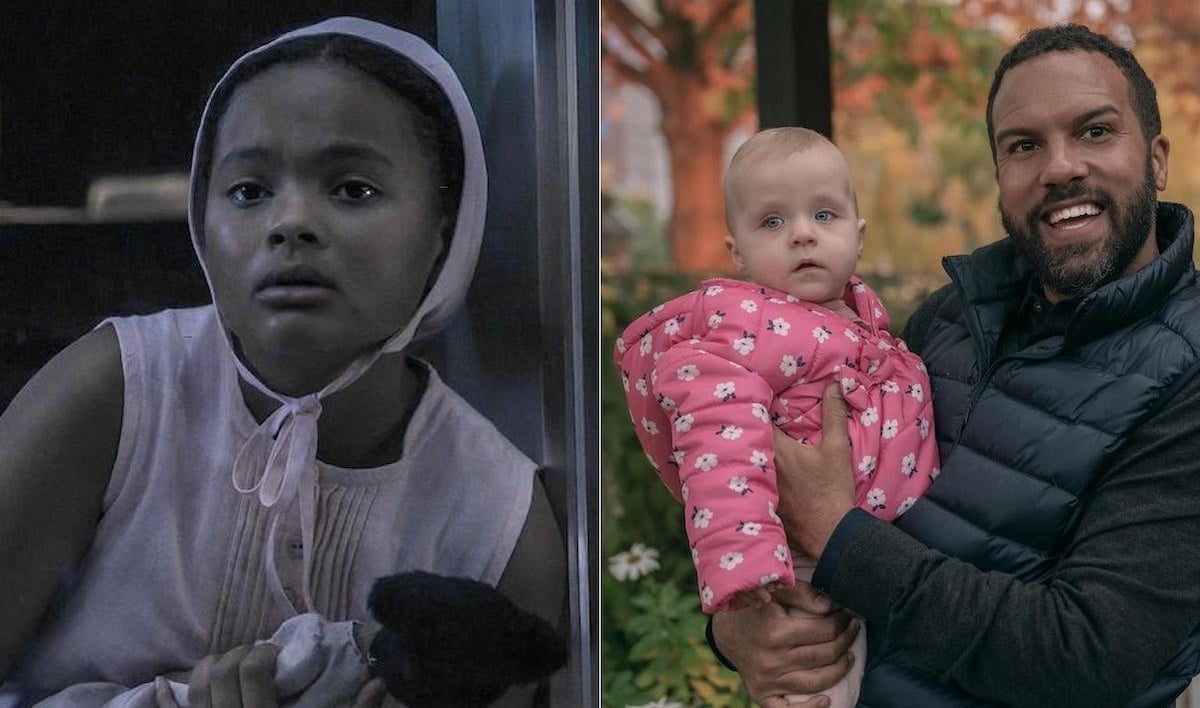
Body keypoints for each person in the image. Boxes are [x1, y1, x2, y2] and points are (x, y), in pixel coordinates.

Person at [0, 16, 564, 707]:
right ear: (201, 222)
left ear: (441, 235)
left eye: (352, 189)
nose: (290, 221)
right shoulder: (114, 394)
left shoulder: (498, 521)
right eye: (248, 190)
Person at [708, 23, 1200, 708]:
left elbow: (1083, 656)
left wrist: (837, 532)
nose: (1059, 167)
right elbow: (774, 485)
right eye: (1023, 145)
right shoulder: (944, 321)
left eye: (1094, 131)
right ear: (1001, 174)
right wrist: (737, 626)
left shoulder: (1188, 375)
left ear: (1156, 159)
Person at [615, 127, 936, 706]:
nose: (802, 234)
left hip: (883, 558)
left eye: (824, 214)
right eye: (772, 222)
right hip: (801, 570)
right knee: (816, 684)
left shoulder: (866, 328)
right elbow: (720, 437)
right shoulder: (745, 328)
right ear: (736, 251)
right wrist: (748, 570)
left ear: (858, 235)